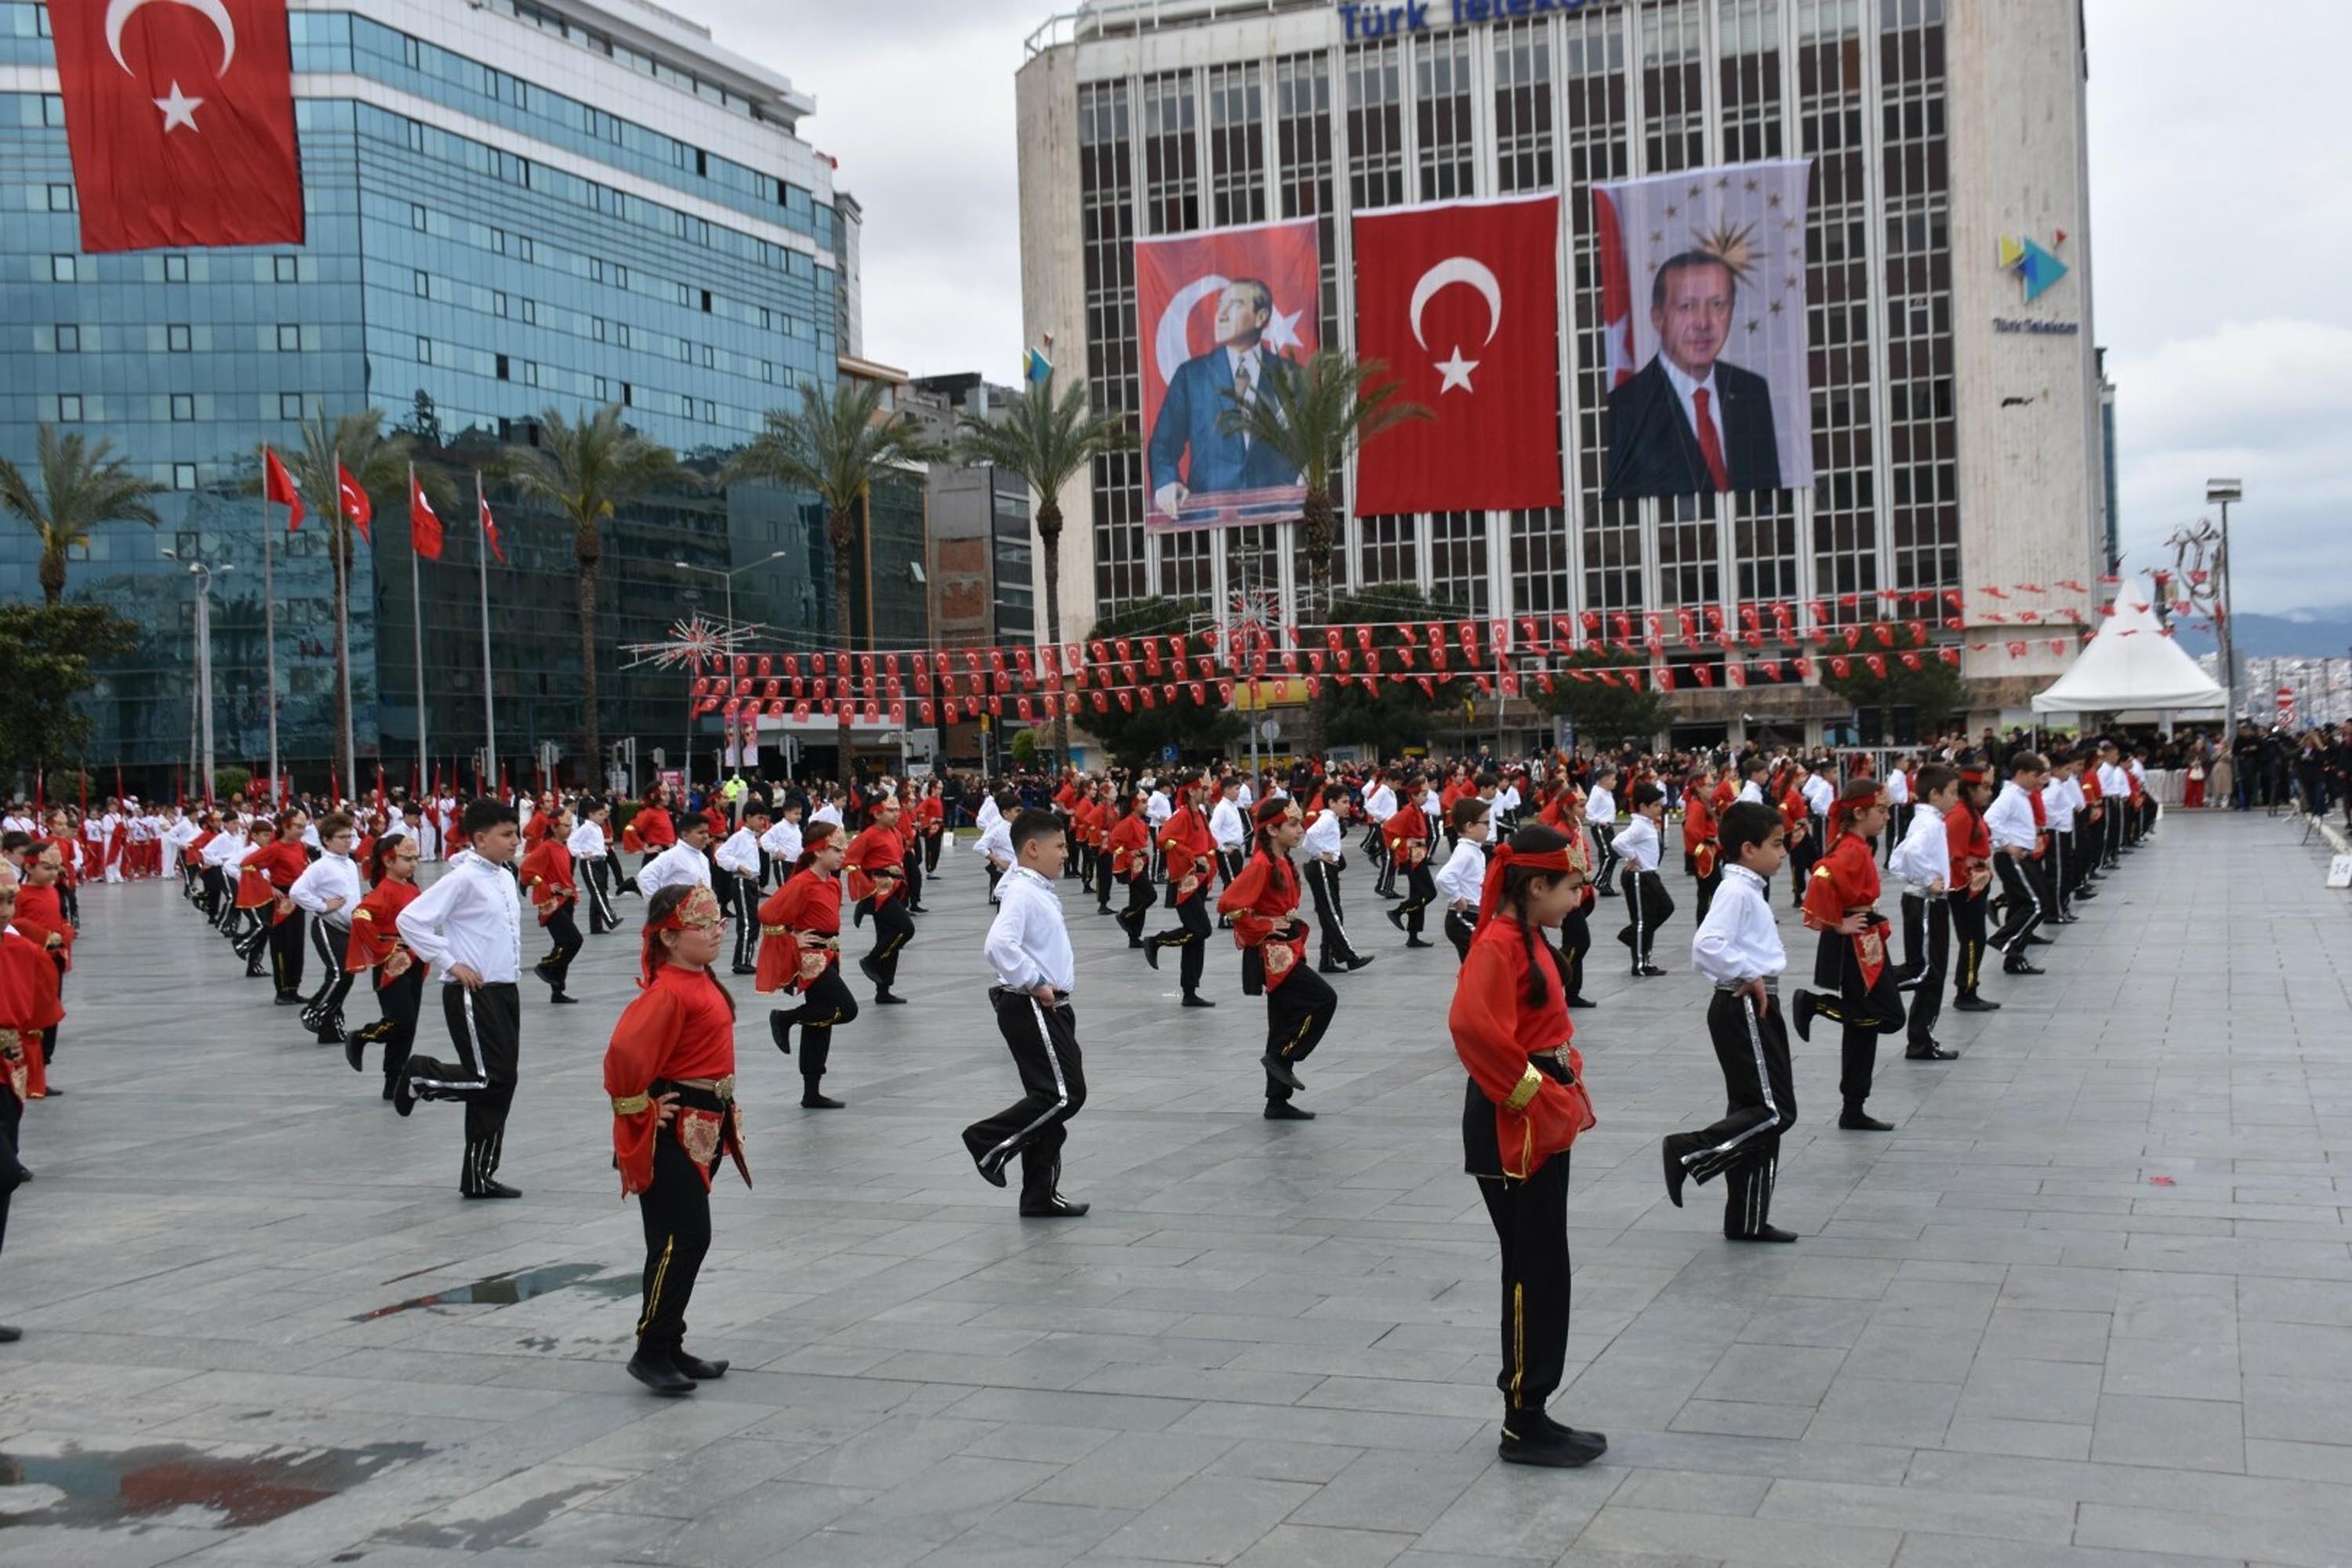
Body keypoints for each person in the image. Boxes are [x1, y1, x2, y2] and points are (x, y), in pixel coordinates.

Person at [1445, 823, 1602, 1468]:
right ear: (1535, 886)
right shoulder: (1499, 944)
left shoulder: (1530, 934)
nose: (1578, 898)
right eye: (1571, 887)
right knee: (1531, 1267)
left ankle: (1533, 1408)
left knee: (1545, 1263)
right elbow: (1472, 1029)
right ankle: (1522, 1417)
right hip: (1514, 1121)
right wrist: (1535, 1094)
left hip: (1539, 1111)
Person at [604, 883, 748, 1395]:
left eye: (718, 922)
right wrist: (638, 1107)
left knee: (671, 1241)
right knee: (686, 1238)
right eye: (702, 925)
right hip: (675, 1128)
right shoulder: (667, 991)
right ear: (668, 937)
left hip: (704, 1123)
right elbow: (624, 1054)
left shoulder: (699, 977)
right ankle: (651, 1350)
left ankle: (668, 1344)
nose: (716, 931)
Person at [1664, 800, 1798, 1241]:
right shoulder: (1736, 891)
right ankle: (1690, 1151)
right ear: (1748, 848)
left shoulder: (1747, 888)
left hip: (1752, 1001)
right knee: (1774, 1112)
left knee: (1751, 1110)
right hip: (1744, 1004)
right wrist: (1747, 972)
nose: (1783, 853)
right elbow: (1707, 944)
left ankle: (1747, 1219)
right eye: (1776, 844)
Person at [393, 798, 528, 1199]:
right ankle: (421, 1074)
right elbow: (410, 920)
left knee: (503, 1083)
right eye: (506, 835)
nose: (515, 841)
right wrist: (450, 962)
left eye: (516, 834)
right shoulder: (463, 878)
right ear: (480, 839)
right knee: (490, 1078)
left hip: (505, 989)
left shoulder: (505, 876)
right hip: (473, 992)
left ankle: (478, 1176)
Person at [962, 809, 1089, 1216]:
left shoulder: (1035, 888)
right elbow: (998, 944)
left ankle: (1039, 1195)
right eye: (1060, 846)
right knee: (1063, 1096)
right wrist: (1035, 981)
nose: (1066, 854)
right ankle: (987, 1142)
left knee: (1049, 1100)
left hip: (1050, 1004)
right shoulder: (1021, 890)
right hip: (1030, 1002)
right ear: (1033, 848)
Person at [1604, 250, 1782, 499]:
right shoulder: (1626, 407)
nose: (1703, 322)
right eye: (1687, 307)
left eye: (1717, 305)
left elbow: (1769, 497)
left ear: (1732, 311)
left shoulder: (1752, 391)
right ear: (1658, 318)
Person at [1791, 781, 1905, 1132]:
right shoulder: (1852, 848)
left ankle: (1853, 1107)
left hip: (1865, 938)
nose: (1886, 817)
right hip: (1856, 944)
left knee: (1862, 1028)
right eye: (1881, 811)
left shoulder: (1856, 844)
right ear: (1859, 812)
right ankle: (1814, 1005)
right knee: (1889, 1016)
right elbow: (1821, 875)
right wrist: (1837, 924)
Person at [1219, 797, 1338, 1121]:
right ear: (1272, 830)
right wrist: (1265, 925)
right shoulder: (1262, 864)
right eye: (1293, 825)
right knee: (1324, 999)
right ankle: (1282, 1055)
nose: (1300, 830)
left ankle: (1276, 1101)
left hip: (1288, 946)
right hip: (1274, 954)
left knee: (1283, 1020)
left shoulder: (1281, 860)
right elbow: (1229, 905)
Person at [1147, 278, 1303, 520]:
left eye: (1235, 305)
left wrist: (1307, 475)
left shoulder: (1290, 375)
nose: (1221, 315)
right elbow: (1162, 444)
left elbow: (1310, 439)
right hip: (1209, 521)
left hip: (1277, 519)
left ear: (1261, 317)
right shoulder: (1192, 376)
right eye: (1220, 305)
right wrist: (1166, 482)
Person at [0, 862, 64, 1335]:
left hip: (6, 1074)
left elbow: (39, 1016)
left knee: (4, 1181)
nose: (4, 908)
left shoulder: (22, 951)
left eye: (6, 899)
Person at [755, 822, 857, 1110]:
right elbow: (767, 913)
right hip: (812, 959)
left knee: (820, 1024)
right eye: (836, 850)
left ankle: (811, 1092)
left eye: (843, 850)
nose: (842, 855)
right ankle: (786, 1018)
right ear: (818, 851)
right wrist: (792, 938)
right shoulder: (801, 883)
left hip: (830, 955)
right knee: (846, 1009)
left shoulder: (833, 883)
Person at [344, 832, 426, 1098]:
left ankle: (394, 1081)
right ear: (388, 861)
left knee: (408, 1025)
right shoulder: (385, 890)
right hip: (393, 963)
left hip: (413, 960)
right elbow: (361, 914)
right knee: (401, 1020)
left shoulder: (411, 888)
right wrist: (384, 947)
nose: (413, 864)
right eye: (407, 859)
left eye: (415, 858)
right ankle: (362, 1036)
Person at [1886, 763, 1958, 1061]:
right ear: (1935, 794)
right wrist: (1929, 879)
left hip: (1925, 900)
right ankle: (1874, 986)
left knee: (1929, 972)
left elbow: (1897, 859)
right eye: (1952, 792)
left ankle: (1921, 1041)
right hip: (1926, 902)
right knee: (1928, 972)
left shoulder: (1927, 821)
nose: (1956, 798)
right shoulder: (1929, 823)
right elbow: (1910, 853)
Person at [1144, 774, 1218, 1006]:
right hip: (1184, 883)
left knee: (1196, 937)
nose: (1209, 792)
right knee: (1202, 930)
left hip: (1198, 881)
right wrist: (1192, 856)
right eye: (1204, 788)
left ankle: (1190, 991)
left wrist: (1208, 856)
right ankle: (1157, 941)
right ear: (1192, 791)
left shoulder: (1200, 815)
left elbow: (1210, 843)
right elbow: (1164, 840)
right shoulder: (1183, 815)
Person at [290, 812, 364, 1045]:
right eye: (342, 837)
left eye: (350, 836)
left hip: (348, 928)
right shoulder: (321, 866)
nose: (348, 841)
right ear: (326, 840)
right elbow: (297, 892)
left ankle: (330, 1026)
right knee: (339, 973)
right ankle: (314, 1011)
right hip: (328, 925)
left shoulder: (350, 863)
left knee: (348, 975)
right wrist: (322, 905)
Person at [1985, 753, 2050, 975]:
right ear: (2020, 773)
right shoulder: (2010, 796)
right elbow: (1990, 819)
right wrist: (2007, 844)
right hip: (2013, 857)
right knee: (2037, 904)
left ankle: (2014, 960)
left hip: (2023, 855)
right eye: (2035, 775)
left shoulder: (2022, 795)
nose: (2038, 780)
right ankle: (2005, 940)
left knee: (2020, 904)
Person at [847, 794, 914, 1005]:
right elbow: (849, 861)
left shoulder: (895, 832)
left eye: (897, 810)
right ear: (877, 814)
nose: (896, 814)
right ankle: (871, 959)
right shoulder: (869, 835)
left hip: (895, 890)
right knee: (905, 929)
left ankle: (883, 990)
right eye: (891, 811)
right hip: (880, 894)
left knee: (888, 939)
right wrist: (866, 888)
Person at [1301, 791, 1373, 975]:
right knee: (1332, 913)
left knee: (1331, 914)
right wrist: (1320, 853)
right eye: (1344, 802)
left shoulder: (1332, 819)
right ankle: (1349, 957)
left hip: (1328, 867)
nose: (1348, 806)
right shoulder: (1327, 819)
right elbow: (1309, 836)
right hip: (1322, 868)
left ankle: (1327, 960)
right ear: (1331, 803)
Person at [519, 806, 584, 1005]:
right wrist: (544, 885)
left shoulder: (564, 848)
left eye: (571, 825)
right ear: (554, 827)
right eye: (566, 825)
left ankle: (557, 991)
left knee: (562, 945)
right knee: (573, 940)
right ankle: (546, 966)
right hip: (552, 904)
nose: (570, 829)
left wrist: (572, 892)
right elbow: (526, 870)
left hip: (566, 901)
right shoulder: (546, 847)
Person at [1613, 783, 1675, 977]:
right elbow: (1618, 842)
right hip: (1639, 876)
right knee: (1642, 920)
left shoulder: (1647, 824)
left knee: (1666, 908)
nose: (1659, 809)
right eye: (1655, 805)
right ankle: (1641, 964)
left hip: (1650, 874)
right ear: (1642, 807)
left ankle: (1632, 936)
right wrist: (1632, 857)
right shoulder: (1639, 826)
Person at [1381, 779, 1438, 949]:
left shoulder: (1417, 810)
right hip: (1411, 856)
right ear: (1413, 795)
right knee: (1429, 893)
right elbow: (1388, 830)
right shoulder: (1408, 812)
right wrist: (1401, 846)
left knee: (1418, 894)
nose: (1426, 798)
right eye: (1423, 794)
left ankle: (1413, 935)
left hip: (1418, 854)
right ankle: (1398, 911)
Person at [1436, 797, 1493, 964]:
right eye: (1486, 823)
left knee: (1474, 964)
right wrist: (1457, 897)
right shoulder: (1465, 852)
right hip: (1463, 917)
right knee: (1482, 957)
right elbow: (1444, 878)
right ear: (1469, 827)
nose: (1489, 828)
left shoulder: (1475, 851)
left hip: (1474, 914)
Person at [713, 804, 767, 975]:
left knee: (753, 922)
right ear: (748, 817)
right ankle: (741, 961)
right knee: (747, 922)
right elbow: (720, 854)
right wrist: (737, 866)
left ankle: (746, 959)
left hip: (751, 882)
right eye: (759, 818)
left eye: (764, 818)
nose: (762, 822)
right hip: (742, 881)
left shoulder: (751, 837)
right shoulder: (740, 837)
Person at [637, 816, 714, 902]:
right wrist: (659, 905)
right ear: (685, 835)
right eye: (701, 833)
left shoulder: (703, 858)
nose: (706, 836)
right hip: (678, 909)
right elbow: (645, 877)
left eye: (707, 832)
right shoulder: (672, 856)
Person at [571, 800, 619, 935]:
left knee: (599, 892)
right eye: (600, 814)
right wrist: (581, 854)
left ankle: (596, 926)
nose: (603, 817)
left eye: (604, 814)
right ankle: (610, 918)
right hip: (590, 863)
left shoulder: (597, 828)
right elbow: (572, 842)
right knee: (598, 892)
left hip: (600, 861)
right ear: (591, 814)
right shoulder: (586, 828)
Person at [1583, 768, 1621, 895]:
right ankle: (1599, 880)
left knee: (1608, 855)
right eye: (1613, 779)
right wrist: (1599, 821)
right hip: (1601, 827)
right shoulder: (1597, 793)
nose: (1615, 782)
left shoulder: (1607, 793)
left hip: (1608, 826)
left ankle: (1606, 885)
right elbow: (1588, 812)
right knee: (1610, 855)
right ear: (1604, 780)